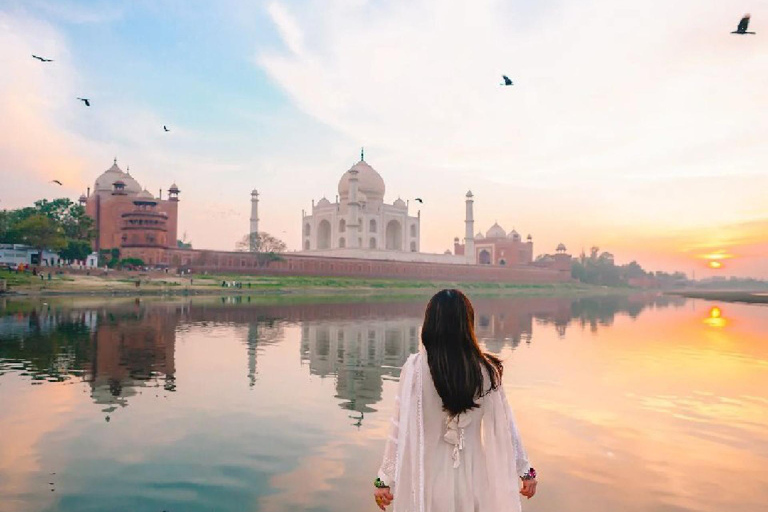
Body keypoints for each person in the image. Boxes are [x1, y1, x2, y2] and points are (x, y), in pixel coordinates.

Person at [374, 289, 537, 512]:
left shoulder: (414, 369)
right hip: (475, 480)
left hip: (429, 482)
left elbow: (398, 427)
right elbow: (507, 428)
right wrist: (526, 472)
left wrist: (383, 481)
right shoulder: (487, 370)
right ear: (468, 324)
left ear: (430, 323)